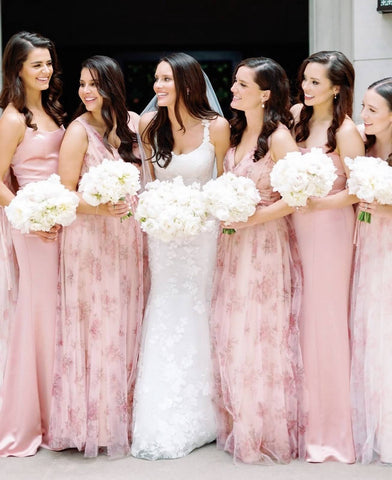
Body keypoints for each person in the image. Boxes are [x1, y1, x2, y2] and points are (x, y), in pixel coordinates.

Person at [130, 51, 230, 460]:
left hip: (204, 236)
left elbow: (222, 183)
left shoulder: (217, 127)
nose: (158, 86)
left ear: (188, 83)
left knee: (201, 310)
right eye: (156, 79)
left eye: (166, 79)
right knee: (166, 307)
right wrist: (158, 211)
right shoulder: (151, 125)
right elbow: (148, 182)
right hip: (165, 238)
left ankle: (208, 414)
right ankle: (163, 413)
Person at [47, 55, 144, 458]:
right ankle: (90, 423)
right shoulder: (78, 131)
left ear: (113, 86)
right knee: (95, 324)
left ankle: (125, 418)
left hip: (128, 239)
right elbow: (65, 192)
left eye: (95, 84)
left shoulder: (134, 124)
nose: (86, 91)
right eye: (83, 84)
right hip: (89, 240)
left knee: (125, 322)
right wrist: (100, 208)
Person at [209, 57, 305, 465]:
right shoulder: (236, 133)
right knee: (233, 327)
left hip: (264, 243)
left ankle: (264, 427)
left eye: (241, 85)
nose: (232, 90)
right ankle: (237, 420)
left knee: (262, 330)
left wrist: (252, 217)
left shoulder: (280, 138)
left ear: (265, 94)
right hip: (233, 245)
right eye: (233, 83)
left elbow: (297, 197)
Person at [290, 50, 365, 463]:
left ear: (337, 87)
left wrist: (320, 202)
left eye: (316, 82)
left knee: (325, 323)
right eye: (305, 79)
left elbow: (359, 189)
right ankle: (298, 419)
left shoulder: (347, 131)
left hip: (330, 231)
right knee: (299, 319)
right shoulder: (297, 117)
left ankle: (330, 429)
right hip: (295, 226)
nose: (307, 87)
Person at [0, 31, 66, 457]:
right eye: (36, 64)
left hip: (61, 221)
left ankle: (59, 411)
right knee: (38, 314)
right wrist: (29, 215)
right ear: (17, 70)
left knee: (58, 314)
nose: (45, 71)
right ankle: (27, 419)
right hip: (31, 225)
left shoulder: (53, 110)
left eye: (48, 63)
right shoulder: (12, 118)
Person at [350, 77, 392, 465]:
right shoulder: (362, 144)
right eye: (363, 107)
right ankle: (376, 425)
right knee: (370, 330)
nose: (363, 116)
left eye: (373, 109)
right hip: (368, 248)